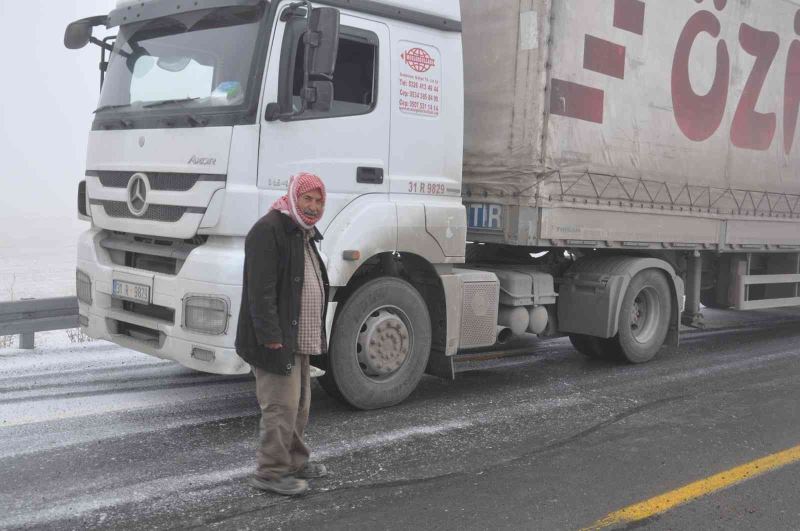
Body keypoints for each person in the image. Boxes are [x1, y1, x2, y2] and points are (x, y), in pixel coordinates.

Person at [235, 172, 330, 496]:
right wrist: (271, 337)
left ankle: (294, 462)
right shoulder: (269, 230)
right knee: (280, 406)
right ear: (293, 196)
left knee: (300, 405)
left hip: (297, 338)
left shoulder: (303, 233)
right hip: (276, 340)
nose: (313, 206)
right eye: (308, 198)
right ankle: (271, 472)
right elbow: (260, 291)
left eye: (318, 200)